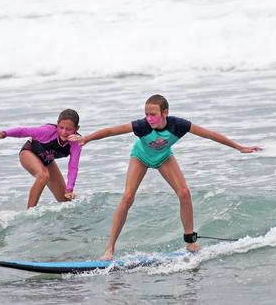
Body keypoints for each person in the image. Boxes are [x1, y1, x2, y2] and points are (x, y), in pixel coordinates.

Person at [69, 95, 261, 260]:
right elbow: (111, 131)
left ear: (165, 113)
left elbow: (209, 134)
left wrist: (239, 147)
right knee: (127, 197)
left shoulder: (179, 125)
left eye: (153, 114)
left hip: (164, 157)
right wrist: (87, 138)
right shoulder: (142, 126)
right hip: (141, 157)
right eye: (146, 114)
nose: (149, 118)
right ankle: (109, 249)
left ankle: (190, 242)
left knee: (184, 193)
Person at [0, 109, 82, 209]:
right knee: (43, 175)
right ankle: (30, 212)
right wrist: (4, 134)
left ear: (76, 128)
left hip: (47, 160)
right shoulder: (47, 131)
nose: (64, 132)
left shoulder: (76, 142)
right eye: (61, 127)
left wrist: (69, 189)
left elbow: (73, 166)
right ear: (57, 123)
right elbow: (23, 131)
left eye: (69, 129)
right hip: (28, 153)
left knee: (65, 200)